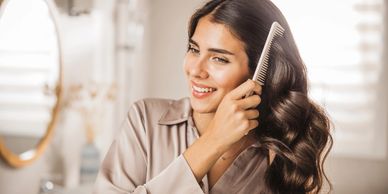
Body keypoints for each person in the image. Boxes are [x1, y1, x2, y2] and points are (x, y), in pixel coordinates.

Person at [93, 0, 333, 193]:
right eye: (194, 49)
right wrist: (213, 141)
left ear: (261, 71)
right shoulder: (145, 121)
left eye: (219, 58)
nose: (196, 70)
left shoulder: (281, 151)